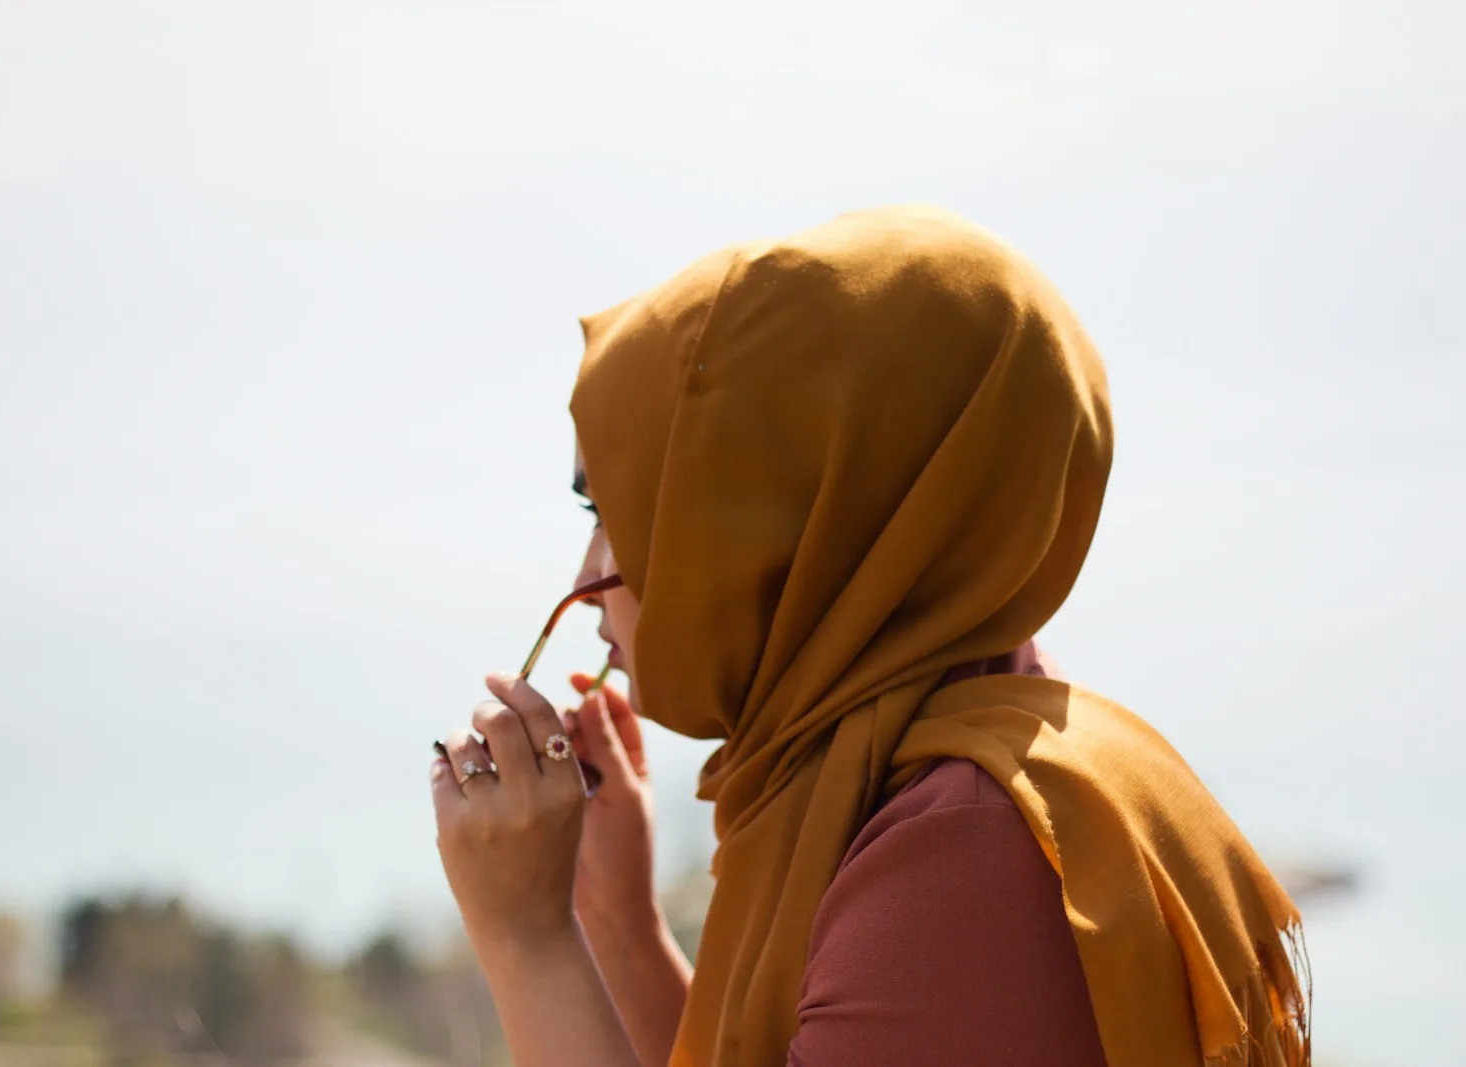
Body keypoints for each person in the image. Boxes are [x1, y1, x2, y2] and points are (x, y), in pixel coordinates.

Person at [429, 206, 1309, 1067]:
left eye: (616, 508)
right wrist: (618, 919)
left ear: (792, 518)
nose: (585, 583)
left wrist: (527, 938)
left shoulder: (965, 862)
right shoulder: (928, 755)